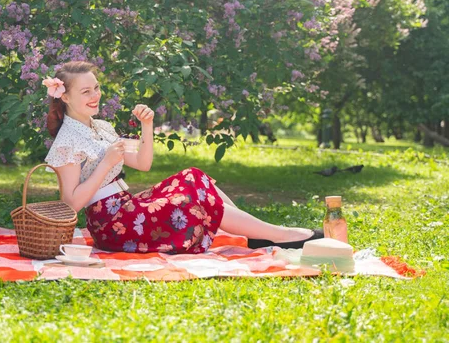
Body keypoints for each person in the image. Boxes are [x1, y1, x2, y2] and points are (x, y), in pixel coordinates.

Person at [43, 61, 322, 254]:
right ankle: (277, 235)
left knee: (193, 176)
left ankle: (259, 233)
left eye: (97, 88)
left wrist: (147, 126)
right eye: (86, 91)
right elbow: (69, 205)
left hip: (126, 207)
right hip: (112, 225)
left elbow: (142, 163)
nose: (95, 96)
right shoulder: (68, 140)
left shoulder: (99, 127)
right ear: (65, 97)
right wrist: (104, 164)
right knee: (192, 196)